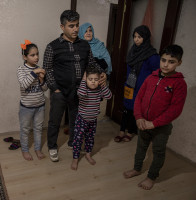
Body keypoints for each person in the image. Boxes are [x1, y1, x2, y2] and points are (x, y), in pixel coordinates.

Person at [43, 10, 106, 162]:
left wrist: (101, 72)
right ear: (62, 27)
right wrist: (55, 88)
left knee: (76, 119)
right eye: (71, 26)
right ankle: (52, 146)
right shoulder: (53, 46)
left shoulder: (84, 45)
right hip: (59, 91)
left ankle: (73, 142)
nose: (76, 29)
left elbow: (91, 64)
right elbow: (47, 69)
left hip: (79, 91)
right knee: (54, 120)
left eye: (77, 25)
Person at [123, 44, 187, 190]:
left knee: (158, 152)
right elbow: (139, 98)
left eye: (171, 62)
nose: (166, 64)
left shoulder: (179, 83)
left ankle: (151, 177)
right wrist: (138, 117)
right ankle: (137, 168)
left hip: (161, 127)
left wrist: (155, 123)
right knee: (140, 148)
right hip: (143, 123)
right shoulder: (151, 77)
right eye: (163, 60)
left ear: (179, 63)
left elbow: (175, 110)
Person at [114, 25, 160, 143]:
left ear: (145, 38)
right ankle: (122, 130)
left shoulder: (152, 56)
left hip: (142, 89)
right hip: (130, 86)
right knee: (126, 108)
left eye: (139, 37)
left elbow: (156, 75)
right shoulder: (132, 51)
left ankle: (131, 131)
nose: (136, 39)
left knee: (136, 110)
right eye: (134, 36)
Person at [71, 64, 112, 170]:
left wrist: (103, 85)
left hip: (93, 120)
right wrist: (84, 81)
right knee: (78, 139)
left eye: (95, 79)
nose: (93, 81)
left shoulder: (99, 89)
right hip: (82, 119)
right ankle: (75, 158)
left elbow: (109, 96)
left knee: (90, 139)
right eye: (90, 79)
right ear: (86, 80)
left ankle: (88, 154)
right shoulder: (84, 88)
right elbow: (81, 94)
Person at [17, 40, 48, 161]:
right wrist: (34, 72)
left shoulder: (39, 69)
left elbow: (45, 88)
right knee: (25, 129)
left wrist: (41, 80)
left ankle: (37, 148)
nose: (36, 57)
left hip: (40, 105)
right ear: (25, 57)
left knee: (38, 128)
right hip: (26, 107)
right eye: (32, 55)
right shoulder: (21, 69)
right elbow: (24, 84)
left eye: (37, 54)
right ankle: (25, 150)